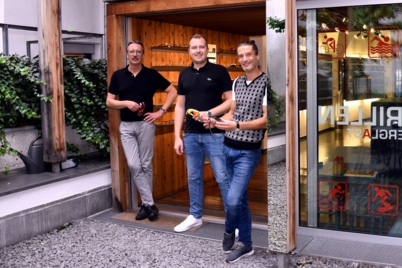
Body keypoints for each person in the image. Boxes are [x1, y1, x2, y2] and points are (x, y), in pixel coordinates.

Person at [106, 40, 177, 221]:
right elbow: (109, 101)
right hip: (127, 127)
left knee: (146, 165)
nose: (135, 54)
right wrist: (125, 103)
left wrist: (160, 112)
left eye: (138, 51)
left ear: (142, 55)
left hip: (146, 125)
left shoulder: (151, 75)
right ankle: (150, 203)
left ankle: (146, 206)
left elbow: (172, 91)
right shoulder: (118, 76)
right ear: (127, 55)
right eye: (132, 51)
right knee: (134, 165)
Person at [211, 40, 267, 263]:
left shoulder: (266, 83)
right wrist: (215, 121)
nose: (245, 59)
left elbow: (266, 120)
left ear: (257, 55)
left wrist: (236, 126)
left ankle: (228, 229)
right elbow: (232, 113)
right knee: (239, 199)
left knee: (233, 200)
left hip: (248, 152)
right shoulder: (236, 82)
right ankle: (247, 245)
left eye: (248, 55)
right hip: (228, 147)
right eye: (241, 56)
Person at [173, 34, 233, 232]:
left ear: (207, 50)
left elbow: (230, 101)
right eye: (194, 47)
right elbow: (180, 106)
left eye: (201, 47)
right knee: (193, 177)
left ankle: (232, 220)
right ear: (189, 51)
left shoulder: (219, 71)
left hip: (214, 134)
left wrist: (210, 114)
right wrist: (177, 136)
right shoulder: (184, 74)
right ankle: (195, 216)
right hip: (191, 135)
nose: (198, 50)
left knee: (223, 177)